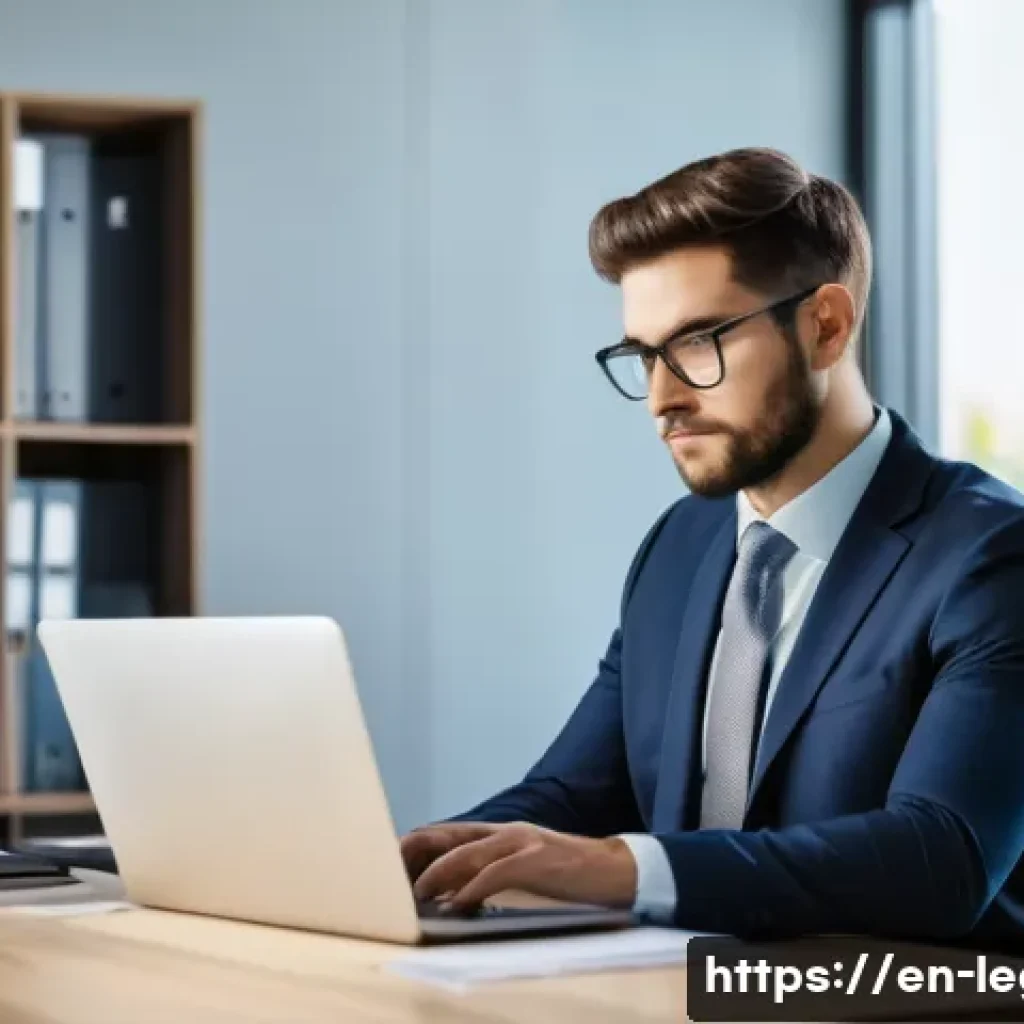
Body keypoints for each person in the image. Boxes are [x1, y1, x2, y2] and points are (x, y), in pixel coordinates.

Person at [400, 147, 1024, 946]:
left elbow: (941, 859)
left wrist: (627, 871)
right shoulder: (680, 547)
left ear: (825, 326)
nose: (662, 399)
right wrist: (417, 861)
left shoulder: (990, 557)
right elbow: (572, 796)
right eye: (643, 355)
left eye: (699, 343)